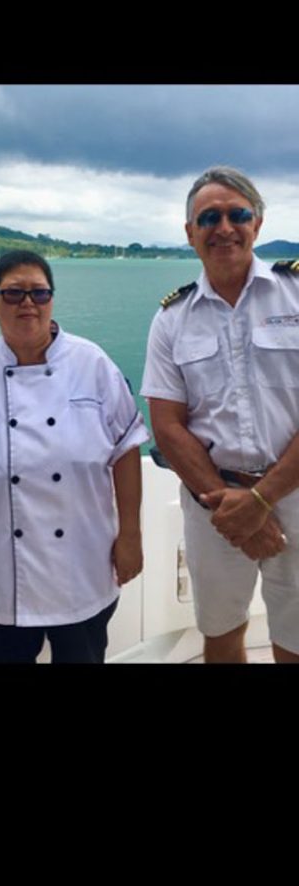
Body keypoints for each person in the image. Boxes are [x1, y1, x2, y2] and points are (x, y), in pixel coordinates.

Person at [0, 249, 148, 663]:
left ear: (52, 299)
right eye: (14, 294)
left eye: (39, 294)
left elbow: (125, 450)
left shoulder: (92, 363)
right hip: (0, 570)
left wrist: (130, 536)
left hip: (83, 563)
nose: (28, 304)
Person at [141, 166, 299, 664]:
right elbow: (167, 425)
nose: (224, 227)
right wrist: (235, 508)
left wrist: (262, 498)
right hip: (215, 503)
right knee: (221, 633)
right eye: (208, 217)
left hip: (295, 493)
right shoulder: (171, 319)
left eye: (238, 214)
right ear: (190, 233)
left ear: (259, 222)